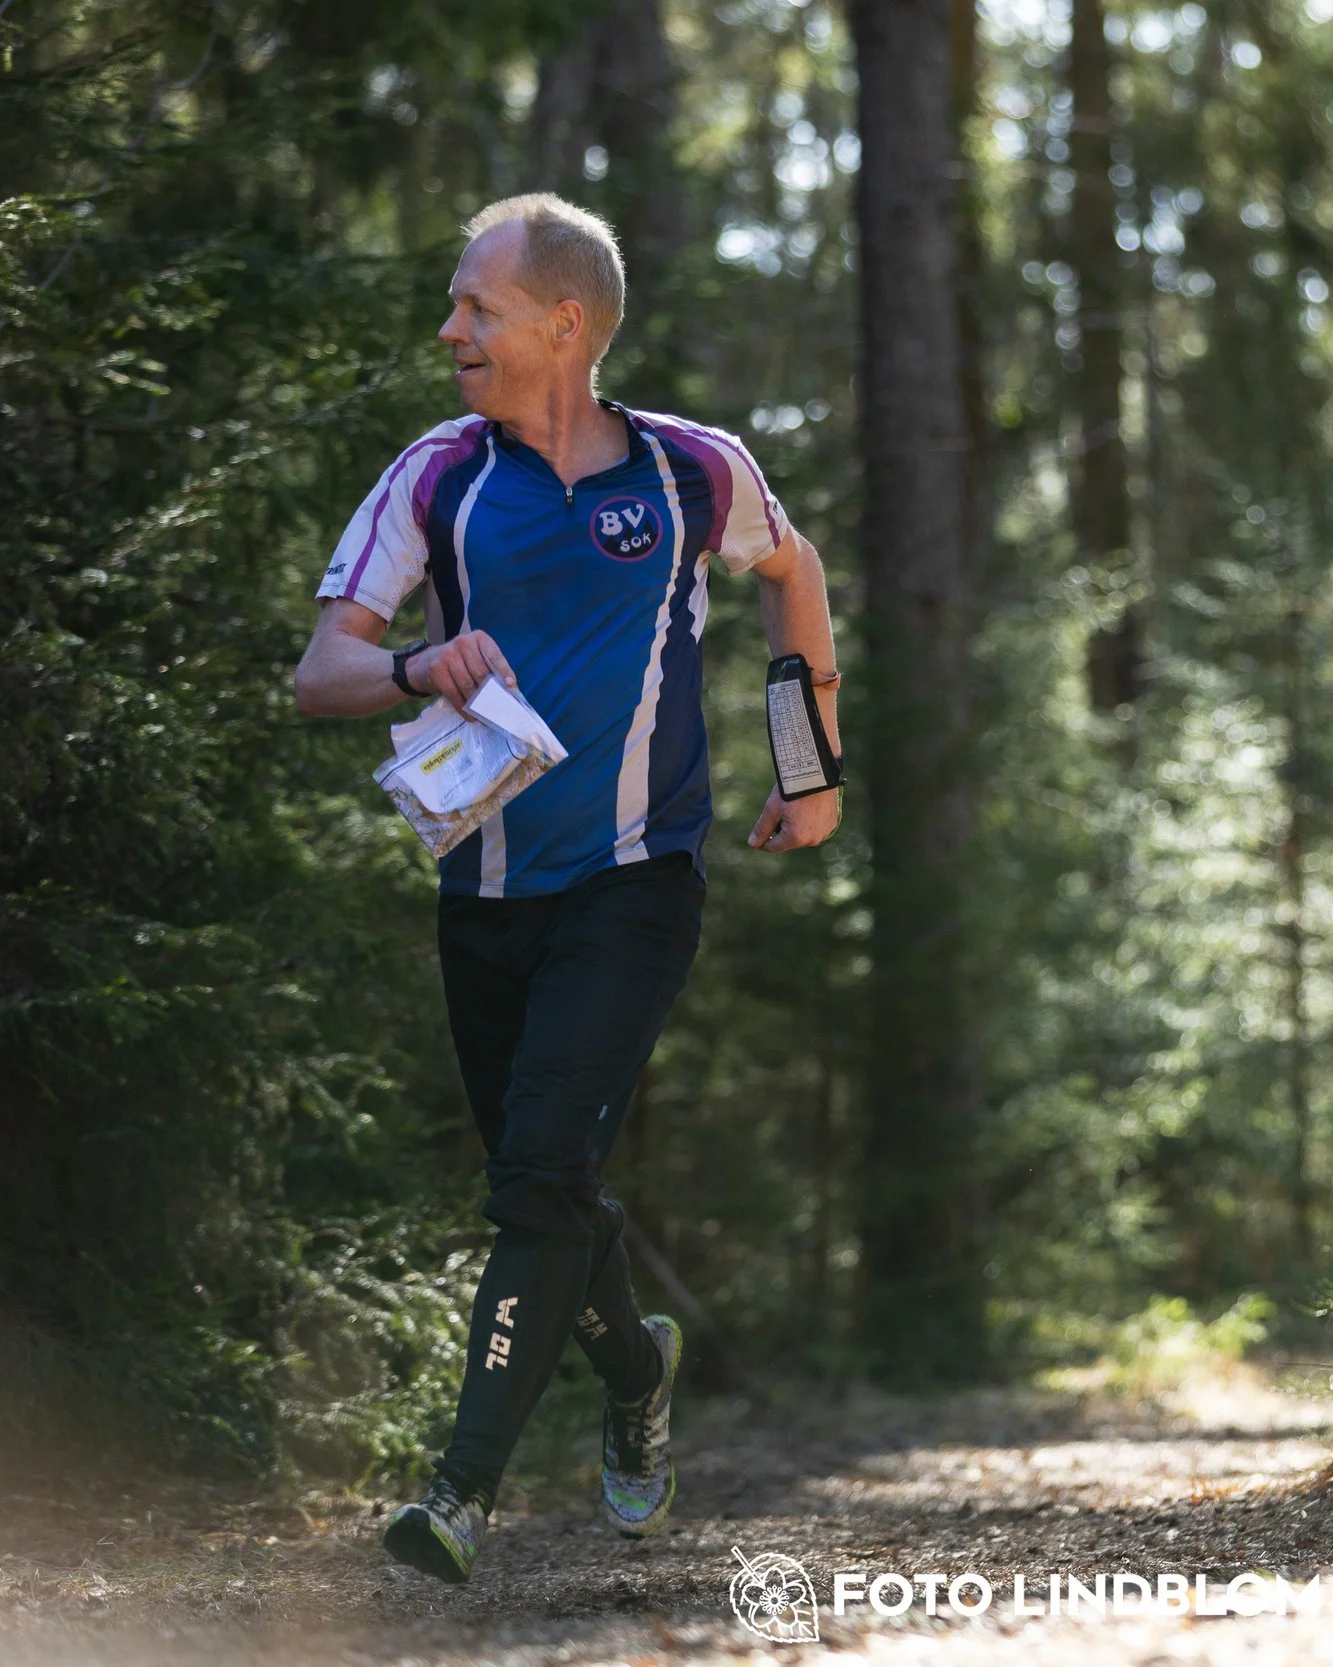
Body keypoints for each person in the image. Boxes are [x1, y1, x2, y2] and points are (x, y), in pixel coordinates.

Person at [292, 193, 841, 1583]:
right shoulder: (438, 476)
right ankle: (637, 1373)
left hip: (635, 879)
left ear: (564, 322)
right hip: (481, 889)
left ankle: (459, 1492)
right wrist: (424, 665)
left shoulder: (691, 471)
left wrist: (809, 759)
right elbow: (323, 674)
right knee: (546, 1182)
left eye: (475, 307)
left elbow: (796, 570)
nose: (451, 329)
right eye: (456, 306)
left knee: (538, 1176)